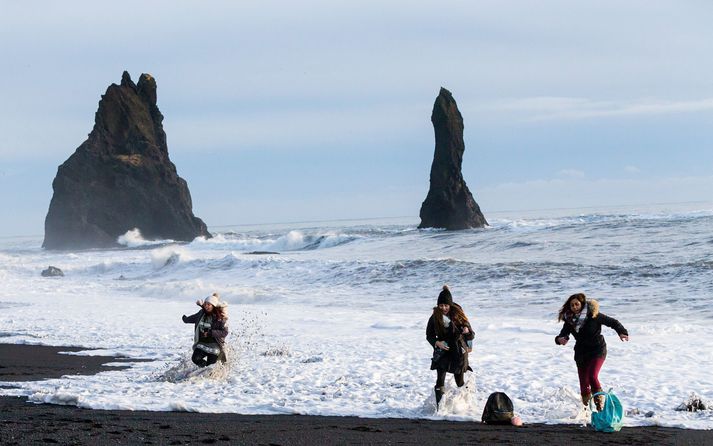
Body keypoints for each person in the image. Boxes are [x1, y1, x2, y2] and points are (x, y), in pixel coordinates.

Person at [555, 293, 629, 410]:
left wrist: (622, 332)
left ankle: (601, 407)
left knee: (592, 376)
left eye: (577, 304)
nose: (574, 307)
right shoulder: (570, 320)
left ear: (582, 304)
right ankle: (586, 412)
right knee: (584, 386)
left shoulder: (594, 315)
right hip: (581, 353)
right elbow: (562, 335)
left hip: (597, 350)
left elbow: (613, 322)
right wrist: (560, 339)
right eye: (572, 305)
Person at [425, 285, 475, 409]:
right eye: (441, 305)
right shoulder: (434, 317)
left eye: (446, 305)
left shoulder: (459, 315)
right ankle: (440, 410)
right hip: (443, 350)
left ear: (450, 305)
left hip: (458, 351)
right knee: (440, 380)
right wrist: (437, 343)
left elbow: (471, 335)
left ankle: (464, 407)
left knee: (460, 381)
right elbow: (429, 335)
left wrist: (466, 331)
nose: (443, 308)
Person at [182, 292, 229, 367]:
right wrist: (186, 319)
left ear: (213, 306)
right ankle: (203, 371)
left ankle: (209, 375)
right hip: (202, 344)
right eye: (205, 304)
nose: (206, 306)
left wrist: (210, 333)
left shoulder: (220, 318)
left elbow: (224, 332)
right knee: (195, 359)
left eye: (209, 304)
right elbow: (194, 318)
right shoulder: (201, 313)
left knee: (210, 366)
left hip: (215, 345)